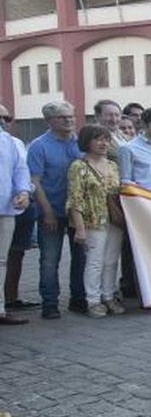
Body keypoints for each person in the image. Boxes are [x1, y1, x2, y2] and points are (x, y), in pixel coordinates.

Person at [28, 101, 86, 319]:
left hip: (78, 212)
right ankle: (50, 303)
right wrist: (48, 212)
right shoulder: (38, 146)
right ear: (49, 121)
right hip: (51, 209)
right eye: (63, 117)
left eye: (71, 116)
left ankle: (78, 298)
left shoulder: (80, 142)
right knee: (50, 260)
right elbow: (35, 181)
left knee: (81, 257)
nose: (69, 121)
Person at [66, 125, 124, 318]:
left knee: (111, 260)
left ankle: (108, 295)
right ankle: (93, 299)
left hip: (114, 220)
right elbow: (75, 199)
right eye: (98, 139)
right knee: (95, 261)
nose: (104, 143)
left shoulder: (113, 165)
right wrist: (80, 228)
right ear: (87, 142)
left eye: (106, 139)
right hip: (93, 221)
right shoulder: (79, 166)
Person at [0, 106, 32, 325]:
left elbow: (21, 171)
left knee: (2, 261)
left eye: (6, 117)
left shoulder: (13, 143)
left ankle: (0, 309)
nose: (3, 120)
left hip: (6, 210)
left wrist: (23, 192)